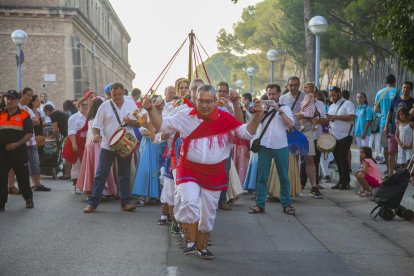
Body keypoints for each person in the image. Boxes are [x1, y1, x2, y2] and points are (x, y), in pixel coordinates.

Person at [144, 84, 263, 259]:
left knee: (207, 214)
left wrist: (257, 117)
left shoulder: (225, 118)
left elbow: (246, 132)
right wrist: (150, 110)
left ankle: (202, 246)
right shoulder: (184, 115)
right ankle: (190, 242)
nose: (204, 105)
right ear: (195, 99)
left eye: (208, 101)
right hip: (188, 169)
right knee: (189, 202)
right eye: (201, 101)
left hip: (214, 173)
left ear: (215, 101)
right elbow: (162, 125)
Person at [83, 82, 141, 213]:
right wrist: (96, 135)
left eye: (120, 94)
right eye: (114, 95)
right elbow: (96, 125)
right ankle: (93, 203)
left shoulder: (131, 104)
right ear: (110, 94)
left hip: (125, 143)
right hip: (108, 144)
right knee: (101, 174)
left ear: (123, 93)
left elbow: (139, 123)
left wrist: (129, 122)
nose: (117, 97)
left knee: (124, 174)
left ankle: (125, 202)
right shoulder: (104, 106)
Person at [249, 83, 296, 215]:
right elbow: (254, 123)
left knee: (284, 177)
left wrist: (278, 110)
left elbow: (291, 125)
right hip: (264, 145)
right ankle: (260, 205)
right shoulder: (262, 109)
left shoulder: (285, 108)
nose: (271, 96)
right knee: (262, 177)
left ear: (279, 94)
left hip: (281, 145)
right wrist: (260, 111)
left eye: (274, 94)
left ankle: (287, 204)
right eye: (269, 94)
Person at [0, 90, 35, 211]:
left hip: (19, 151)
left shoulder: (24, 115)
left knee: (23, 176)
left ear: (16, 100)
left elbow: (29, 133)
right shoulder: (1, 113)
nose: (9, 100)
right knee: (1, 178)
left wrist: (16, 144)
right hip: (2, 152)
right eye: (7, 98)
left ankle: (28, 199)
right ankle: (1, 203)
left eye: (12, 98)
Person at [76, 98, 117, 196]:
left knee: (91, 168)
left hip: (90, 144)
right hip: (100, 143)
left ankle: (90, 188)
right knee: (101, 168)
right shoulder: (100, 118)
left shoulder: (89, 118)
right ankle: (103, 189)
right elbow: (102, 132)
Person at [19, 87, 51, 191]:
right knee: (20, 165)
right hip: (22, 140)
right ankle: (16, 186)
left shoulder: (28, 109)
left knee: (35, 162)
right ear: (22, 95)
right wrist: (29, 121)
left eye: (31, 96)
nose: (30, 97)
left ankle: (37, 184)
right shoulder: (18, 108)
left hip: (33, 140)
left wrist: (29, 121)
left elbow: (37, 122)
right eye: (28, 95)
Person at [327, 86, 356, 190]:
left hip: (345, 136)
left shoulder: (348, 104)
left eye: (334, 95)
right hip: (334, 136)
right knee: (338, 159)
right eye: (331, 96)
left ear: (339, 93)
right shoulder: (331, 106)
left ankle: (346, 182)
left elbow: (352, 117)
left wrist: (337, 117)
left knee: (342, 158)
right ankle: (341, 181)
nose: (332, 98)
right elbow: (330, 120)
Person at [384, 81, 414, 177]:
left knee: (407, 156)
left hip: (407, 132)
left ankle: (408, 175)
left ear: (411, 90)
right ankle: (390, 173)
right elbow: (390, 112)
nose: (405, 90)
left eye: (408, 88)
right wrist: (386, 125)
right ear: (401, 88)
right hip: (394, 129)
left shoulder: (412, 102)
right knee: (391, 151)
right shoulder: (395, 99)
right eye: (404, 87)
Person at [374, 74, 399, 174]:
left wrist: (384, 111)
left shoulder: (380, 92)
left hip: (384, 122)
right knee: (395, 145)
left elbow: (376, 109)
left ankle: (389, 168)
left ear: (386, 82)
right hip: (397, 123)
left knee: (386, 146)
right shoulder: (398, 92)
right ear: (394, 81)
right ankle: (395, 165)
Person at [63, 98, 89, 188]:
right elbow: (71, 132)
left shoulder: (89, 117)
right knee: (76, 164)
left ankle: (84, 184)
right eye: (83, 105)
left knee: (85, 164)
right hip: (75, 143)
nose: (85, 106)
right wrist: (74, 144)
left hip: (85, 144)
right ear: (78, 107)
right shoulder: (73, 118)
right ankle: (76, 185)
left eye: (86, 105)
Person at [28, 95, 51, 191]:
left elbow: (44, 124)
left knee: (37, 161)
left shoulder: (40, 112)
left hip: (39, 139)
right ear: (32, 102)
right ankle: (35, 182)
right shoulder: (28, 112)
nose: (39, 102)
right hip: (31, 139)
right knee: (31, 162)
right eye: (37, 100)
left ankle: (36, 182)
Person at [43, 104, 70, 179]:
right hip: (68, 134)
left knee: (61, 151)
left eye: (45, 113)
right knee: (61, 150)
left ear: (48, 111)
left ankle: (66, 174)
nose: (46, 115)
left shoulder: (53, 115)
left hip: (66, 135)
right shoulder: (59, 112)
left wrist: (56, 140)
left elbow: (54, 128)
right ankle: (67, 173)